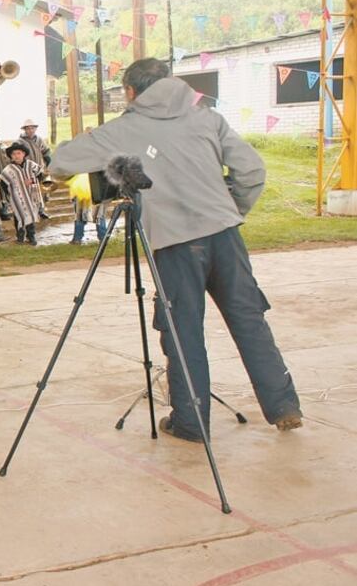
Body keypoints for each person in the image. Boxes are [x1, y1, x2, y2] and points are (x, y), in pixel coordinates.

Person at [50, 57, 303, 441]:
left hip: (174, 246)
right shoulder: (207, 117)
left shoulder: (124, 129)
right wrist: (231, 209)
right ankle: (283, 405)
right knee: (250, 321)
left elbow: (60, 163)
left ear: (131, 92)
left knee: (183, 332)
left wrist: (93, 151)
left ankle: (191, 421)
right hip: (225, 236)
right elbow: (252, 171)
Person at [0, 140, 44, 245]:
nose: (16, 156)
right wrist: (10, 193)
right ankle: (20, 236)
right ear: (11, 156)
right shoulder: (8, 169)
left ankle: (31, 236)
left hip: (31, 196)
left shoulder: (31, 165)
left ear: (23, 154)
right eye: (14, 154)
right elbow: (3, 183)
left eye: (18, 153)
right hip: (17, 198)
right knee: (18, 216)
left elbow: (41, 175)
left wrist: (32, 181)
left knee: (31, 215)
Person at [20, 119, 52, 219]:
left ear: (35, 129)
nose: (30, 130)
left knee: (41, 191)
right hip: (27, 170)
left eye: (32, 128)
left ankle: (41, 210)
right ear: (25, 129)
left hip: (40, 168)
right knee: (30, 191)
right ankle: (31, 211)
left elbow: (46, 152)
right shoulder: (20, 141)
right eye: (28, 128)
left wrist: (49, 164)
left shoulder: (39, 140)